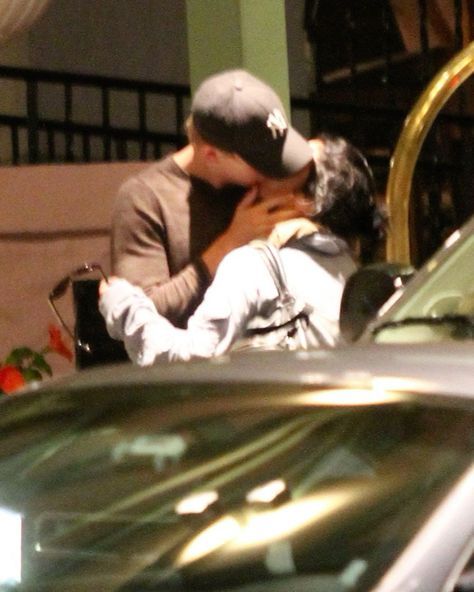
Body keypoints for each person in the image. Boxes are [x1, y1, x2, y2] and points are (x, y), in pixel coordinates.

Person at [99, 134, 386, 365]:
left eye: (291, 164)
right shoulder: (349, 270)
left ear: (305, 201)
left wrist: (123, 306)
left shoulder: (254, 267)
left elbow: (190, 361)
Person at [110, 69, 314, 328]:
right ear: (211, 155)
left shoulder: (260, 184)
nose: (274, 168)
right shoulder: (145, 198)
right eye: (261, 160)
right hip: (196, 352)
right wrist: (230, 242)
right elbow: (141, 315)